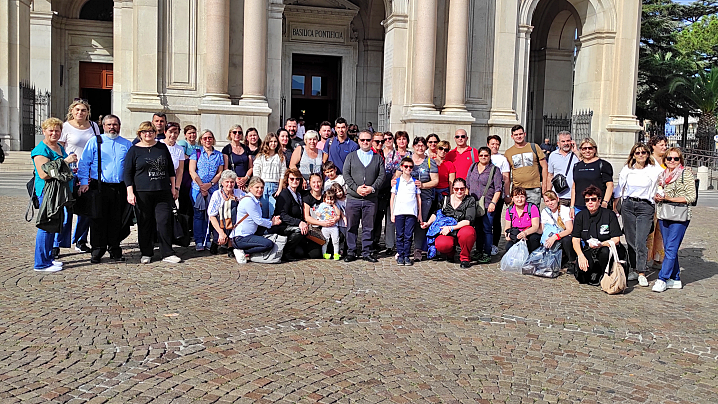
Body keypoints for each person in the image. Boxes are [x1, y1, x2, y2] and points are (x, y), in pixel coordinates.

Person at [77, 114, 133, 263]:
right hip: (99, 186)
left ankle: (115, 248)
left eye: (115, 124)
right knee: (97, 219)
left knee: (116, 220)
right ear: (103, 126)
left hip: (119, 188)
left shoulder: (126, 144)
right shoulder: (95, 141)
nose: (112, 127)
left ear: (119, 126)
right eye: (109, 124)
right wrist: (84, 182)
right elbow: (84, 163)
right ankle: (97, 250)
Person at [124, 121, 181, 264]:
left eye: (151, 131)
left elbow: (170, 170)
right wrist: (130, 192)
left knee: (164, 222)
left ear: (155, 133)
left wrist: (174, 187)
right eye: (144, 132)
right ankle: (146, 252)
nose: (148, 134)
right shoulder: (134, 150)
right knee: (145, 223)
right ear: (140, 134)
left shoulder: (162, 147)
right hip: (142, 193)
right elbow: (127, 173)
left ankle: (167, 252)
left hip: (162, 191)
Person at [615, 142, 664, 287]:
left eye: (643, 152)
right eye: (638, 153)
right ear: (633, 155)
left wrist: (659, 194)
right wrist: (614, 204)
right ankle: (634, 268)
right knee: (630, 240)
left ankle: (642, 271)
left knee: (641, 240)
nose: (641, 155)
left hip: (645, 206)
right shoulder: (627, 169)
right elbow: (620, 187)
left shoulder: (654, 170)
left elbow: (660, 185)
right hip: (629, 205)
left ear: (648, 154)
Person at [32, 117, 77, 272]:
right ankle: (41, 263)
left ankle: (49, 258)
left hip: (59, 192)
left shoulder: (58, 146)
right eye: (50, 130)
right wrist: (66, 162)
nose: (54, 133)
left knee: (54, 225)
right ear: (44, 131)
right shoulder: (41, 150)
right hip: (48, 191)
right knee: (46, 225)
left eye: (57, 130)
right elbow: (44, 173)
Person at [57, 99, 99, 256]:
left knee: (86, 209)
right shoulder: (65, 127)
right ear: (72, 111)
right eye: (77, 110)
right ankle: (58, 243)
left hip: (87, 172)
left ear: (87, 112)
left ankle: (81, 240)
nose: (80, 113)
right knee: (66, 210)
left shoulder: (94, 127)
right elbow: (59, 149)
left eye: (83, 110)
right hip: (70, 172)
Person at [653, 147, 696, 292]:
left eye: (675, 158)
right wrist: (657, 197)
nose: (672, 161)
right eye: (669, 158)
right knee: (669, 248)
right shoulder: (662, 175)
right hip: (664, 214)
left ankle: (662, 278)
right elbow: (658, 192)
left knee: (671, 248)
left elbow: (691, 197)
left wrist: (669, 198)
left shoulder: (685, 174)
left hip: (680, 216)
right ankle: (676, 278)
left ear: (680, 160)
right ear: (665, 160)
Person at [343, 130, 386, 262]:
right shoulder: (351, 156)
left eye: (368, 140)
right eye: (362, 140)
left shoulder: (377, 158)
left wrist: (372, 188)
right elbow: (346, 174)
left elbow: (381, 176)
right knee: (351, 226)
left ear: (371, 141)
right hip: (353, 198)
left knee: (369, 227)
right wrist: (356, 188)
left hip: (370, 199)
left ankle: (367, 251)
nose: (365, 142)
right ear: (359, 141)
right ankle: (351, 251)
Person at [572, 185, 622, 285]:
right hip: (589, 249)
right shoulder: (580, 216)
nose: (590, 202)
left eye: (593, 199)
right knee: (581, 276)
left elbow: (616, 239)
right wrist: (580, 255)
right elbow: (575, 239)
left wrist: (601, 244)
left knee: (604, 252)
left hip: (606, 249)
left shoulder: (609, 215)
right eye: (587, 200)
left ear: (599, 200)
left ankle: (604, 274)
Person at [421, 178, 477, 268]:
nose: (459, 191)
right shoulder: (445, 199)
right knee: (441, 244)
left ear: (465, 189)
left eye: (462, 189)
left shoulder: (470, 200)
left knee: (468, 232)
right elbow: (436, 213)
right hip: (447, 230)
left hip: (461, 228)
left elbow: (468, 220)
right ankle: (450, 253)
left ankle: (465, 258)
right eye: (456, 189)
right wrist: (428, 223)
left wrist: (451, 228)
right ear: (453, 188)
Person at [226, 177, 281, 264]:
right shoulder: (249, 201)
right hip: (241, 237)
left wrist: (272, 222)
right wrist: (272, 223)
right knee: (268, 244)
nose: (260, 190)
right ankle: (243, 251)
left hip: (250, 233)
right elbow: (258, 220)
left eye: (262, 187)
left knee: (275, 229)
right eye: (257, 187)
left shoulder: (255, 201)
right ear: (250, 188)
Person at [404, 136, 439, 261]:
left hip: (424, 198)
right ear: (413, 146)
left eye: (422, 145)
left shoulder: (430, 162)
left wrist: (423, 185)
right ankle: (405, 249)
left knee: (421, 223)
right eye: (417, 145)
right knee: (407, 223)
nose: (420, 148)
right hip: (407, 198)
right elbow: (398, 174)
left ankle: (418, 249)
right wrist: (393, 181)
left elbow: (435, 181)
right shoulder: (407, 160)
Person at [466, 147, 502, 264]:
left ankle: (487, 252)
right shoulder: (472, 167)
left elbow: (498, 189)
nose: (483, 157)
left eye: (486, 155)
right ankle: (478, 250)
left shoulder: (494, 170)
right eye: (481, 155)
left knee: (487, 228)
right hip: (473, 203)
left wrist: (493, 203)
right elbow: (467, 185)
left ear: (490, 156)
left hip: (487, 203)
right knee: (477, 228)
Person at [189, 129, 224, 252]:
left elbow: (220, 172)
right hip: (197, 189)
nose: (207, 140)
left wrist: (210, 184)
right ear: (201, 140)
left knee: (211, 215)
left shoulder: (219, 155)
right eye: (205, 138)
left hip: (212, 189)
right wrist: (201, 186)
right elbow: (192, 171)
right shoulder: (196, 153)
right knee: (198, 215)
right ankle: (199, 240)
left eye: (210, 138)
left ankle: (207, 239)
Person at [272, 169, 313, 260]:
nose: (295, 181)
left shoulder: (298, 194)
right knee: (299, 230)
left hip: (294, 225)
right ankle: (286, 252)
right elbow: (282, 215)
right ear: (287, 180)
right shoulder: (284, 194)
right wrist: (299, 222)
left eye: (297, 179)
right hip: (283, 226)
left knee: (303, 253)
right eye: (292, 179)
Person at [380, 131, 409, 255]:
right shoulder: (390, 154)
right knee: (390, 216)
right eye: (399, 139)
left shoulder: (411, 154)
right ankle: (390, 245)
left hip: (407, 190)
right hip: (392, 189)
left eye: (404, 139)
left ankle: (404, 243)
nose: (401, 141)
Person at [504, 125, 548, 206]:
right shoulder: (508, 152)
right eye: (516, 135)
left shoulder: (534, 147)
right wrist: (507, 194)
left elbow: (545, 166)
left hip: (534, 188)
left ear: (525, 134)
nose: (518, 136)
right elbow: (506, 175)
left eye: (520, 134)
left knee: (533, 215)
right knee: (518, 216)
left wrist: (544, 186)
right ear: (512, 136)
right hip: (517, 189)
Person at [570, 137, 613, 217]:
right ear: (580, 150)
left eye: (590, 148)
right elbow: (574, 187)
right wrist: (572, 206)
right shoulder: (577, 166)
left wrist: (605, 202)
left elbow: (610, 185)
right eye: (584, 148)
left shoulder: (603, 165)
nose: (587, 151)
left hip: (596, 205)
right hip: (579, 206)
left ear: (595, 149)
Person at [390, 157, 422, 266]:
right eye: (406, 166)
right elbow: (392, 198)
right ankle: (400, 254)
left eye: (410, 167)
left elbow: (418, 199)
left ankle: (407, 255)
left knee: (408, 235)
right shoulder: (397, 182)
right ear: (402, 167)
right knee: (399, 234)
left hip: (411, 212)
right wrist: (392, 213)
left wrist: (420, 214)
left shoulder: (415, 182)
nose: (408, 168)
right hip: (399, 212)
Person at [207, 170, 246, 256]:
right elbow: (211, 216)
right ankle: (216, 240)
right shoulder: (217, 194)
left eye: (232, 182)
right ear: (222, 183)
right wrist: (221, 233)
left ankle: (230, 245)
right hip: (221, 222)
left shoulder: (238, 193)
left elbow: (248, 199)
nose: (229, 184)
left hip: (234, 222)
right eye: (227, 182)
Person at [487, 135, 511, 256]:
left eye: (497, 144)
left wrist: (507, 194)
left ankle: (494, 244)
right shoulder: (483, 156)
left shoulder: (502, 159)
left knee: (495, 220)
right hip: (484, 194)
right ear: (488, 145)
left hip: (498, 193)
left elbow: (506, 178)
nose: (495, 146)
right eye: (492, 144)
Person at [253, 132, 286, 218]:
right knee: (263, 210)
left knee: (273, 211)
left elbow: (282, 174)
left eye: (275, 141)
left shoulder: (280, 157)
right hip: (263, 185)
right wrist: (257, 187)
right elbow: (256, 173)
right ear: (267, 143)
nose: (273, 144)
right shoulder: (261, 157)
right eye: (271, 141)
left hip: (275, 186)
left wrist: (279, 189)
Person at [540, 191, 575, 272]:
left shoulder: (564, 210)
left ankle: (572, 261)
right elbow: (541, 230)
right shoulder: (545, 212)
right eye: (547, 201)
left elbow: (569, 229)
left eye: (552, 200)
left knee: (566, 240)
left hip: (564, 236)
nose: (550, 203)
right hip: (551, 236)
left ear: (557, 199)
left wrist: (555, 237)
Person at [647, 134, 668, 267]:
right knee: (650, 230)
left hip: (665, 200)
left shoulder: (668, 160)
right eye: (661, 145)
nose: (664, 147)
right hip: (651, 199)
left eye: (665, 145)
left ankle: (658, 257)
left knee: (662, 230)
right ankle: (647, 257)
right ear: (653, 146)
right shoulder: (649, 161)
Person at [504, 187, 541, 253]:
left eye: (522, 197)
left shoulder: (532, 208)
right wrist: (508, 235)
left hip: (530, 233)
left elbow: (535, 226)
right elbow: (507, 227)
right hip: (517, 235)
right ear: (512, 198)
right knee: (509, 248)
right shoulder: (509, 211)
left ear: (525, 197)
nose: (519, 200)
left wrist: (525, 233)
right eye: (517, 197)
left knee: (534, 240)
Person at [547, 131, 577, 206]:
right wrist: (548, 193)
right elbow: (550, 175)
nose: (566, 143)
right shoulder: (553, 155)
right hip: (558, 196)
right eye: (563, 141)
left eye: (568, 141)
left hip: (575, 196)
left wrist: (576, 151)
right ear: (558, 143)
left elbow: (586, 163)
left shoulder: (577, 155)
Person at [177, 124, 199, 218]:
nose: (192, 135)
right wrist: (193, 159)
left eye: (194, 133)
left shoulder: (198, 146)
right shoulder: (183, 143)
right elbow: (182, 156)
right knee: (184, 201)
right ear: (185, 135)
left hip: (195, 176)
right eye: (190, 133)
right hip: (185, 176)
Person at [222, 125, 252, 189]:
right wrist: (236, 179)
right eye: (234, 132)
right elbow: (225, 168)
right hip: (233, 183)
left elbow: (251, 167)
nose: (237, 134)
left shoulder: (246, 148)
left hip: (246, 183)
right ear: (230, 134)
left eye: (239, 132)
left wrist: (246, 178)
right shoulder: (227, 149)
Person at [315, 188, 342, 260]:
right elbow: (317, 212)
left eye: (332, 199)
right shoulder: (322, 205)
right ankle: (324, 254)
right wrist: (318, 214)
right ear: (325, 199)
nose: (330, 201)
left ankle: (336, 254)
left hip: (334, 227)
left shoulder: (335, 205)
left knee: (335, 240)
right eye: (328, 199)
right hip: (325, 226)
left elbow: (339, 214)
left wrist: (335, 206)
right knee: (325, 241)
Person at [161, 122, 186, 187]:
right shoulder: (158, 144)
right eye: (170, 132)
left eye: (175, 133)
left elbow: (180, 171)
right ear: (165, 132)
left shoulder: (180, 149)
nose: (173, 135)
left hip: (171, 184)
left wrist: (177, 187)